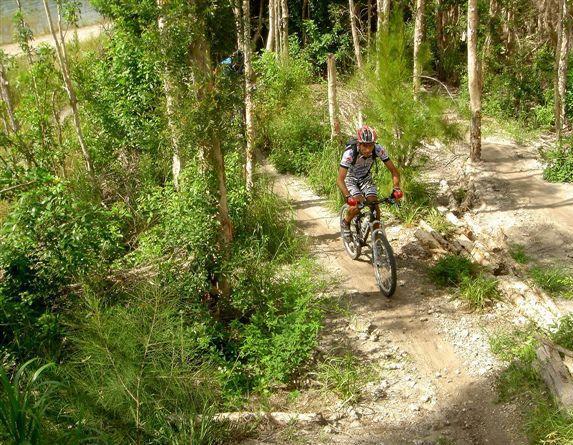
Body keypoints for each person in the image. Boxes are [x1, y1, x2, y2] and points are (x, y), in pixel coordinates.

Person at [336, 125, 403, 240]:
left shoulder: (378, 149)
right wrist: (348, 196)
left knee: (375, 208)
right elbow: (340, 179)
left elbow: (394, 171)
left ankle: (377, 241)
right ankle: (346, 223)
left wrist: (396, 188)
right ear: (359, 144)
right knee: (358, 205)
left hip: (365, 178)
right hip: (350, 179)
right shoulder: (350, 153)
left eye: (370, 145)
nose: (368, 149)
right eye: (364, 146)